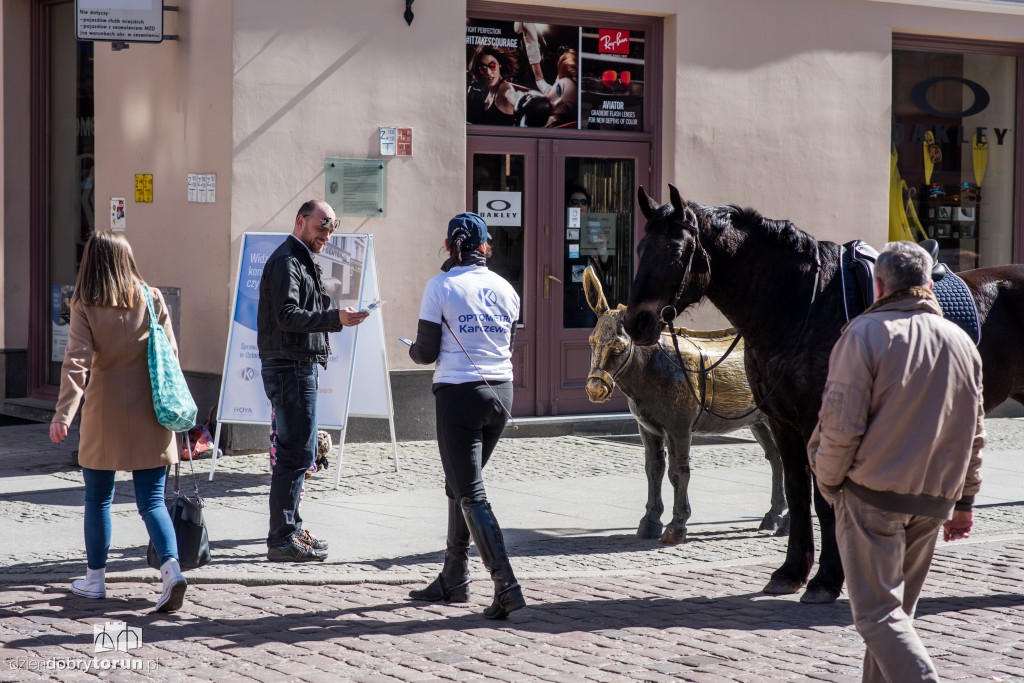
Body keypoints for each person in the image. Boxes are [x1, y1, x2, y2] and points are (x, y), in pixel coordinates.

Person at [808, 240, 985, 683]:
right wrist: (964, 500)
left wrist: (828, 483)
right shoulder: (962, 342)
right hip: (933, 499)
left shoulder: (865, 334)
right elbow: (974, 432)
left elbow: (841, 423)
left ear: (879, 284)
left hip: (873, 495)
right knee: (896, 616)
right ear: (929, 284)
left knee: (877, 616)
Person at [49, 231, 189, 613]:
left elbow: (76, 362)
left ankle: (95, 580)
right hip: (150, 411)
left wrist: (64, 414)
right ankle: (172, 570)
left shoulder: (85, 304)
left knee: (97, 499)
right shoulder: (152, 296)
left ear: (92, 262)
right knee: (152, 501)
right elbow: (171, 355)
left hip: (104, 412)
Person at [406, 212, 526, 620]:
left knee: (470, 492)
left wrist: (410, 349)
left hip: (459, 395)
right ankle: (454, 576)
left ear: (450, 245)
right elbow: (508, 341)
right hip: (501, 395)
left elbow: (425, 351)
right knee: (458, 485)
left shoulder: (440, 286)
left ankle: (507, 587)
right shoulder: (507, 289)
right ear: (485, 246)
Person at [257, 199, 368, 562]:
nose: (327, 234)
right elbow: (288, 316)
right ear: (300, 221)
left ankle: (291, 527)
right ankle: (282, 537)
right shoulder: (288, 260)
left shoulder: (300, 258)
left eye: (332, 227)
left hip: (296, 365)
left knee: (301, 452)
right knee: (295, 454)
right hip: (289, 367)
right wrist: (335, 318)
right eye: (322, 225)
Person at [466, 45, 522, 126]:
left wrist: (522, 100)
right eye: (483, 68)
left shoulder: (504, 88)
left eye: (492, 66)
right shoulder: (489, 91)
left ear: (500, 64)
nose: (488, 72)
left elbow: (512, 95)